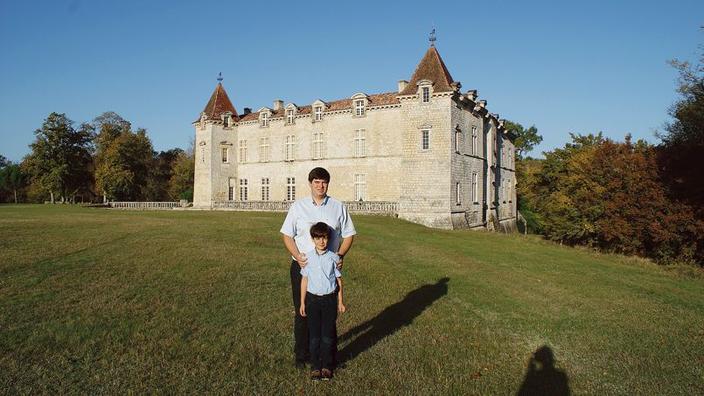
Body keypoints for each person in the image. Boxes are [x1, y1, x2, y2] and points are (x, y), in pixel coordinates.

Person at [280, 167, 356, 368]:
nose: (320, 186)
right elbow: (287, 235)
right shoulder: (298, 207)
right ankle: (301, 355)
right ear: (310, 183)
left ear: (328, 184)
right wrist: (297, 255)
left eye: (324, 182)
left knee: (328, 315)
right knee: (302, 312)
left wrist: (340, 255)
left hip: (328, 270)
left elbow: (349, 234)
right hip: (302, 268)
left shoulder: (338, 207)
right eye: (316, 182)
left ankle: (329, 357)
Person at [299, 222, 346, 380]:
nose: (321, 241)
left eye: (324, 238)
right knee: (314, 336)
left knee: (327, 335)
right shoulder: (308, 258)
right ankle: (315, 366)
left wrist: (340, 302)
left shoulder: (334, 258)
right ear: (313, 239)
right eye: (318, 238)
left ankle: (326, 365)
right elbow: (304, 280)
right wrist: (302, 302)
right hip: (312, 300)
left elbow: (338, 281)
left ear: (328, 239)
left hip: (329, 300)